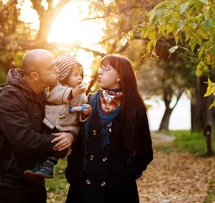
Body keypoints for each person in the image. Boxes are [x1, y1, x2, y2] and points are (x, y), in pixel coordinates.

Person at [0, 49, 75, 203]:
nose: (57, 70)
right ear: (35, 75)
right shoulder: (10, 98)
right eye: (50, 68)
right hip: (9, 183)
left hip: (35, 179)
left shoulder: (43, 96)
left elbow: (59, 123)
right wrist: (59, 144)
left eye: (55, 65)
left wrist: (69, 136)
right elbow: (24, 139)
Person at [65, 54, 153, 203]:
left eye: (106, 69)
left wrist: (126, 175)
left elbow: (145, 151)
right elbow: (78, 142)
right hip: (84, 187)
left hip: (118, 191)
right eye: (100, 68)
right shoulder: (89, 101)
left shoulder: (134, 107)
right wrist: (73, 173)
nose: (100, 72)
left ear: (120, 76)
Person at [24, 54, 91, 181]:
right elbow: (53, 97)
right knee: (43, 146)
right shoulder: (57, 88)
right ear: (64, 75)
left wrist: (85, 113)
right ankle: (35, 167)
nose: (79, 78)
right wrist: (72, 93)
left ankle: (47, 168)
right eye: (75, 74)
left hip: (66, 128)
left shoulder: (81, 95)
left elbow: (80, 114)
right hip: (50, 122)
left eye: (81, 75)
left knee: (56, 149)